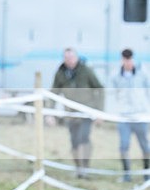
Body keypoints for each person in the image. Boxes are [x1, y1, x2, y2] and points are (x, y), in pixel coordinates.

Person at [50, 48, 104, 177]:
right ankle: (78, 168)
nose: (69, 61)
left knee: (83, 139)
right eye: (67, 58)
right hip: (70, 114)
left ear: (76, 58)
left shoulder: (86, 71)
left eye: (72, 58)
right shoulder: (61, 72)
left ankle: (85, 167)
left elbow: (99, 88)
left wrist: (99, 111)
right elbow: (54, 92)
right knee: (74, 142)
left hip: (86, 112)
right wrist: (50, 113)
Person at [110, 48, 150, 182]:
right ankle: (127, 174)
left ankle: (147, 173)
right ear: (122, 60)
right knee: (123, 146)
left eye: (130, 59)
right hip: (124, 117)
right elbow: (113, 94)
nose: (127, 62)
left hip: (141, 116)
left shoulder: (143, 73)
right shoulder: (116, 75)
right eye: (125, 59)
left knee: (145, 146)